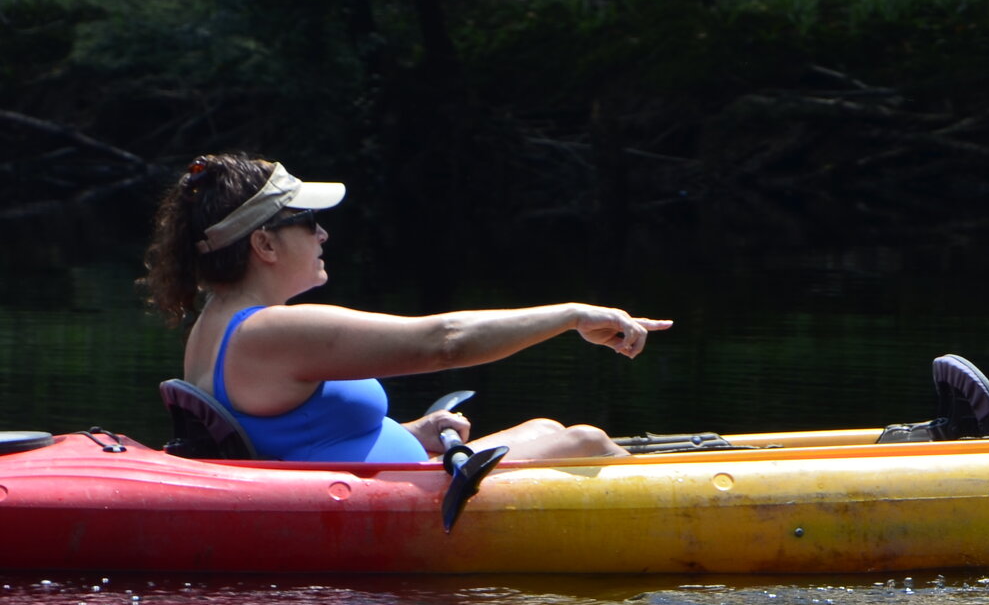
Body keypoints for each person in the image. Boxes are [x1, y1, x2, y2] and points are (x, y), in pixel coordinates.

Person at [142, 153, 670, 463]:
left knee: (549, 430)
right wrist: (573, 315)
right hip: (394, 508)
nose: (323, 233)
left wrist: (411, 432)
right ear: (265, 245)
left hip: (390, 484)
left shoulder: (212, 326)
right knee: (585, 441)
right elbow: (444, 343)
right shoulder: (272, 330)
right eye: (308, 222)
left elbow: (288, 438)